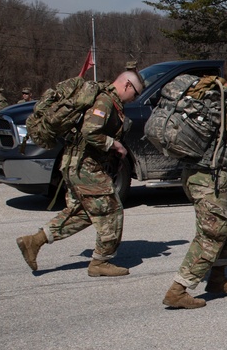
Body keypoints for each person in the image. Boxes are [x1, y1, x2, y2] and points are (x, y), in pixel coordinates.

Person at [15, 71, 144, 276]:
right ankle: (101, 262)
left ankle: (34, 241)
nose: (134, 99)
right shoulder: (105, 101)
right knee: (112, 209)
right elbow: (90, 132)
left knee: (84, 212)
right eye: (135, 94)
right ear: (128, 85)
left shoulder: (107, 100)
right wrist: (115, 145)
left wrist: (112, 158)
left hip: (76, 164)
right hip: (85, 167)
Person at [163, 56, 227, 309]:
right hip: (209, 177)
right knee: (213, 233)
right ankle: (179, 289)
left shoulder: (208, 97)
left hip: (194, 174)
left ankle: (217, 277)